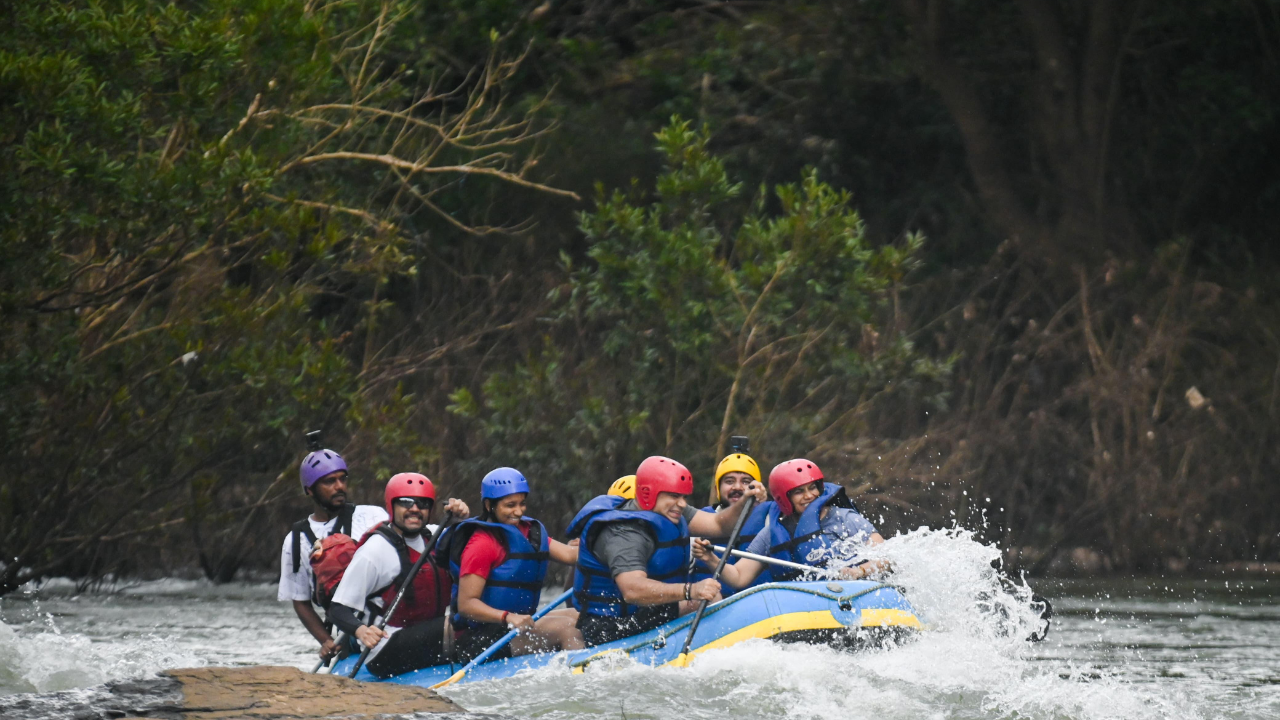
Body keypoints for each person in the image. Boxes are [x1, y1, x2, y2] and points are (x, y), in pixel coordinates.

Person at [569, 455, 768, 646]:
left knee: (709, 599)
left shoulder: (669, 510)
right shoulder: (623, 534)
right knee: (700, 599)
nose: (682, 503)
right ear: (648, 493)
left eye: (683, 496)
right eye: (674, 496)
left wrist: (745, 501)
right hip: (610, 627)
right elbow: (632, 589)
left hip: (642, 613)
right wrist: (691, 590)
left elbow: (719, 525)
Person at [327, 473, 470, 678]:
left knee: (474, 621)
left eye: (422, 503)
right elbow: (337, 609)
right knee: (457, 624)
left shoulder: (435, 535)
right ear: (391, 507)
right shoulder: (374, 551)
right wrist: (361, 631)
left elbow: (473, 539)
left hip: (425, 635)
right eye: (405, 502)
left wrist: (460, 518)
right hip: (385, 649)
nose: (414, 509)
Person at [438, 467, 584, 663]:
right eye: (510, 505)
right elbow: (466, 605)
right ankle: (579, 678)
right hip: (481, 638)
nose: (518, 511)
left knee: (578, 615)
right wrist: (507, 617)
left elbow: (570, 555)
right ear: (490, 505)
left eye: (522, 503)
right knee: (568, 629)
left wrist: (600, 545)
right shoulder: (481, 544)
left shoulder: (529, 532)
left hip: (513, 627)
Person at [694, 458, 888, 589]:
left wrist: (858, 571)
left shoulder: (844, 519)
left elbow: (887, 557)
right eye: (799, 491)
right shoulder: (772, 534)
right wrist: (710, 558)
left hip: (856, 592)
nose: (809, 496)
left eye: (813, 488)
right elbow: (738, 576)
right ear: (784, 498)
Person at [278, 443, 388, 662]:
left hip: (389, 615)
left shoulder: (373, 516)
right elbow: (301, 601)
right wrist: (326, 640)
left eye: (342, 479)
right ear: (309, 490)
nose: (340, 486)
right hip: (351, 630)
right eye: (330, 481)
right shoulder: (295, 541)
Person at [690, 452, 774, 593]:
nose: (737, 487)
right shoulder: (698, 522)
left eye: (746, 482)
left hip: (762, 609)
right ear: (717, 488)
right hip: (714, 608)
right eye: (729, 481)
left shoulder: (770, 517)